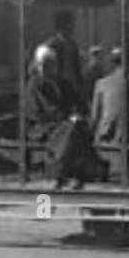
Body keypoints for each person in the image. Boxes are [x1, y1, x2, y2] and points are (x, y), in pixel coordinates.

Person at [25, 44, 103, 189]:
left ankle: (74, 173)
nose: (47, 67)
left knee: (78, 128)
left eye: (50, 63)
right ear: (38, 65)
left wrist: (78, 113)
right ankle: (61, 173)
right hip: (43, 125)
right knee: (72, 130)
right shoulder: (35, 85)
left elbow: (78, 101)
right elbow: (38, 111)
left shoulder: (62, 82)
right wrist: (66, 118)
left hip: (65, 122)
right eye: (44, 64)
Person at [45, 11, 84, 97]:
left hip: (72, 85)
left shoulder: (73, 44)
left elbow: (77, 68)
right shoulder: (52, 44)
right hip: (58, 86)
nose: (72, 27)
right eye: (70, 23)